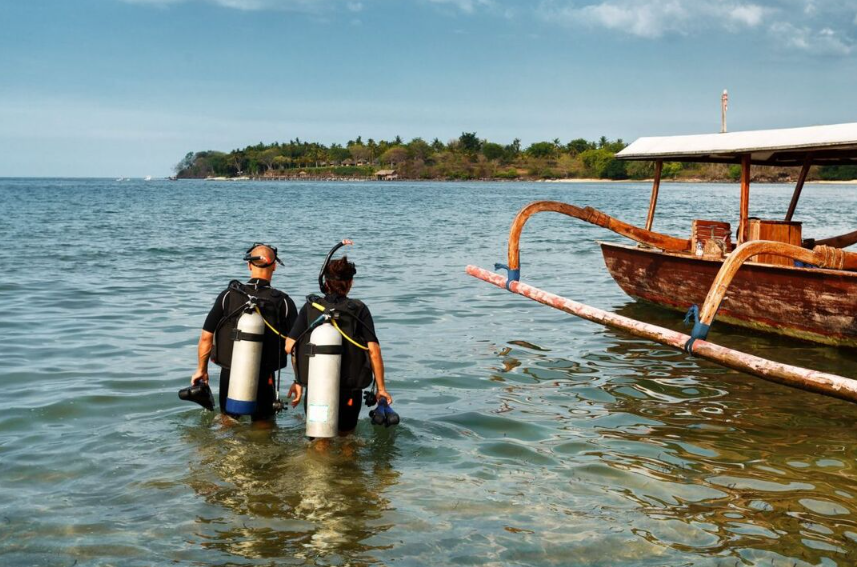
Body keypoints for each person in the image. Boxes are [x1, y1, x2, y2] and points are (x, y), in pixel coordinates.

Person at [285, 256, 392, 436]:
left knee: (319, 439)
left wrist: (298, 381)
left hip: (317, 389)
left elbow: (290, 346)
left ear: (325, 282)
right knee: (347, 440)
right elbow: (374, 351)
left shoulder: (310, 308)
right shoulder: (359, 309)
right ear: (350, 283)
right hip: (349, 391)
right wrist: (381, 389)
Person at [191, 243, 297, 422]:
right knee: (263, 426)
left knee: (228, 421)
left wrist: (201, 370)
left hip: (231, 373)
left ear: (249, 265)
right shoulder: (284, 302)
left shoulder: (227, 296)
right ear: (274, 266)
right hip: (265, 377)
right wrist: (298, 381)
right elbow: (295, 346)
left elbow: (206, 337)